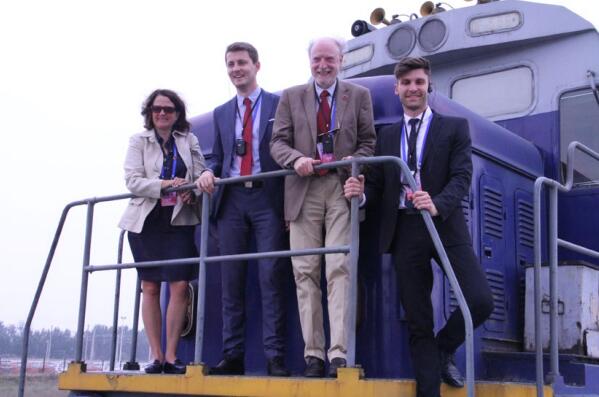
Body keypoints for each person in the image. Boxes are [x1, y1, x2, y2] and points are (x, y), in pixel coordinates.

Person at [344, 57, 494, 397]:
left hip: (444, 225)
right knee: (418, 320)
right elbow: (379, 186)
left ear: (428, 86)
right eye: (407, 83)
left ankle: (444, 348)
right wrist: (360, 195)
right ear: (397, 89)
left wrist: (436, 202)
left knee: (481, 300)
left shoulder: (454, 128)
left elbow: (462, 177)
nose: (413, 88)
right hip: (405, 230)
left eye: (419, 82)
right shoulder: (387, 136)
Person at [270, 37, 376, 378]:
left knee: (339, 268)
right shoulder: (290, 97)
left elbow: (369, 143)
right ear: (310, 62)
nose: (323, 65)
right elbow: (278, 143)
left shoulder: (359, 96)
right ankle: (313, 354)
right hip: (303, 190)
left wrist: (354, 162)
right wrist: (297, 158)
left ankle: (339, 354)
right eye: (317, 59)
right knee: (304, 273)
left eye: (329, 59)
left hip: (340, 187)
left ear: (341, 60)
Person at [196, 42, 289, 376]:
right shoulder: (222, 112)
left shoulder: (280, 104)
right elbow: (217, 156)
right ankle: (232, 355)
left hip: (268, 197)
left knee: (270, 277)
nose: (236, 69)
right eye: (231, 64)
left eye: (242, 63)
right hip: (231, 199)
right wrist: (208, 171)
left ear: (257, 66)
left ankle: (275, 356)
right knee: (230, 280)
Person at [119, 89, 206, 375]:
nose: (162, 114)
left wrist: (189, 191)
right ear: (149, 113)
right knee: (151, 286)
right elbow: (133, 180)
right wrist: (165, 185)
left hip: (179, 221)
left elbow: (199, 175)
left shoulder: (189, 140)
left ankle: (171, 356)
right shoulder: (138, 141)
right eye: (157, 109)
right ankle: (156, 356)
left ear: (177, 113)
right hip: (147, 222)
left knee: (180, 285)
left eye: (168, 109)